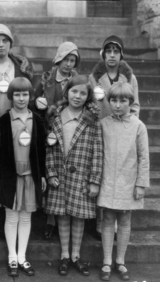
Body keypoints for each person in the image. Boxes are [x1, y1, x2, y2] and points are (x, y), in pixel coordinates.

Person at [45, 75, 103, 277]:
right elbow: (49, 147)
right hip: (60, 173)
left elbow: (98, 151)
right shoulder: (55, 116)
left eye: (83, 93)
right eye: (74, 91)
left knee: (78, 216)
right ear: (66, 92)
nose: (77, 96)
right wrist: (50, 173)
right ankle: (64, 255)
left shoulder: (92, 120)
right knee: (62, 214)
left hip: (82, 175)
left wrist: (95, 180)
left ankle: (76, 256)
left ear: (88, 97)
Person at [89, 35, 140, 241]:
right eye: (108, 51)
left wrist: (129, 124)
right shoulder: (94, 78)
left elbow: (134, 105)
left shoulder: (130, 77)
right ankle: (101, 222)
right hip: (102, 131)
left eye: (116, 52)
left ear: (121, 55)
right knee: (103, 173)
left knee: (120, 173)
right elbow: (91, 103)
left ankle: (119, 222)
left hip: (123, 132)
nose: (112, 55)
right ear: (103, 54)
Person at [97, 82, 149, 281]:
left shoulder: (138, 126)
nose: (118, 105)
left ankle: (121, 261)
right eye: (114, 100)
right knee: (108, 219)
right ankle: (107, 262)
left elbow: (144, 157)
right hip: (108, 180)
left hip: (129, 180)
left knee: (125, 220)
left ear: (130, 102)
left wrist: (140, 184)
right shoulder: (104, 124)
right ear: (109, 101)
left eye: (123, 100)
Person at [0, 77, 46, 277]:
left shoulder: (37, 120)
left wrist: (41, 174)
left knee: (26, 217)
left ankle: (22, 257)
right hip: (11, 174)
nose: (21, 98)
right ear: (11, 96)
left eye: (25, 94)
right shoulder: (4, 120)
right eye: (17, 94)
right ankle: (12, 257)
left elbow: (41, 150)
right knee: (11, 216)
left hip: (30, 174)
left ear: (30, 96)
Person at [34, 41, 80, 240]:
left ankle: (65, 214)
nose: (69, 64)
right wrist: (40, 105)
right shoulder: (46, 78)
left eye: (72, 60)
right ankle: (50, 218)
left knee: (63, 171)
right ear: (58, 59)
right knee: (49, 170)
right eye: (66, 60)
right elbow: (34, 101)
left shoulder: (77, 80)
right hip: (48, 128)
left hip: (69, 129)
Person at [0, 24, 34, 117]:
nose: (1, 45)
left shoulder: (22, 68)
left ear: (10, 43)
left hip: (14, 121)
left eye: (5, 41)